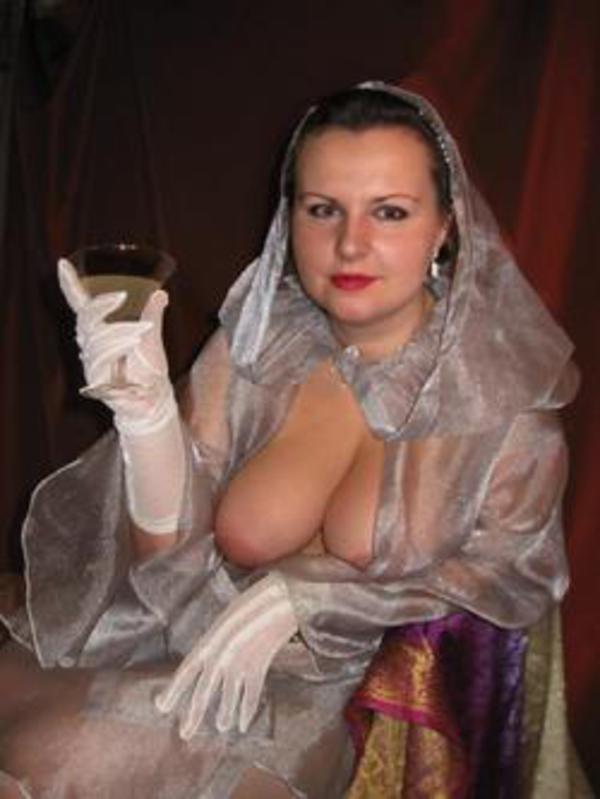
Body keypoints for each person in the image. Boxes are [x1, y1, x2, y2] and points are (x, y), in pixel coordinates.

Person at [0, 82, 584, 797]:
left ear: (445, 227)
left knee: (56, 760)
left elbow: (514, 579)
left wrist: (308, 599)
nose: (350, 243)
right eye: (322, 209)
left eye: (390, 211)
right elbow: (162, 559)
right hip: (176, 639)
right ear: (290, 217)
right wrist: (147, 417)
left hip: (341, 709)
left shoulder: (501, 404)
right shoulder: (255, 352)